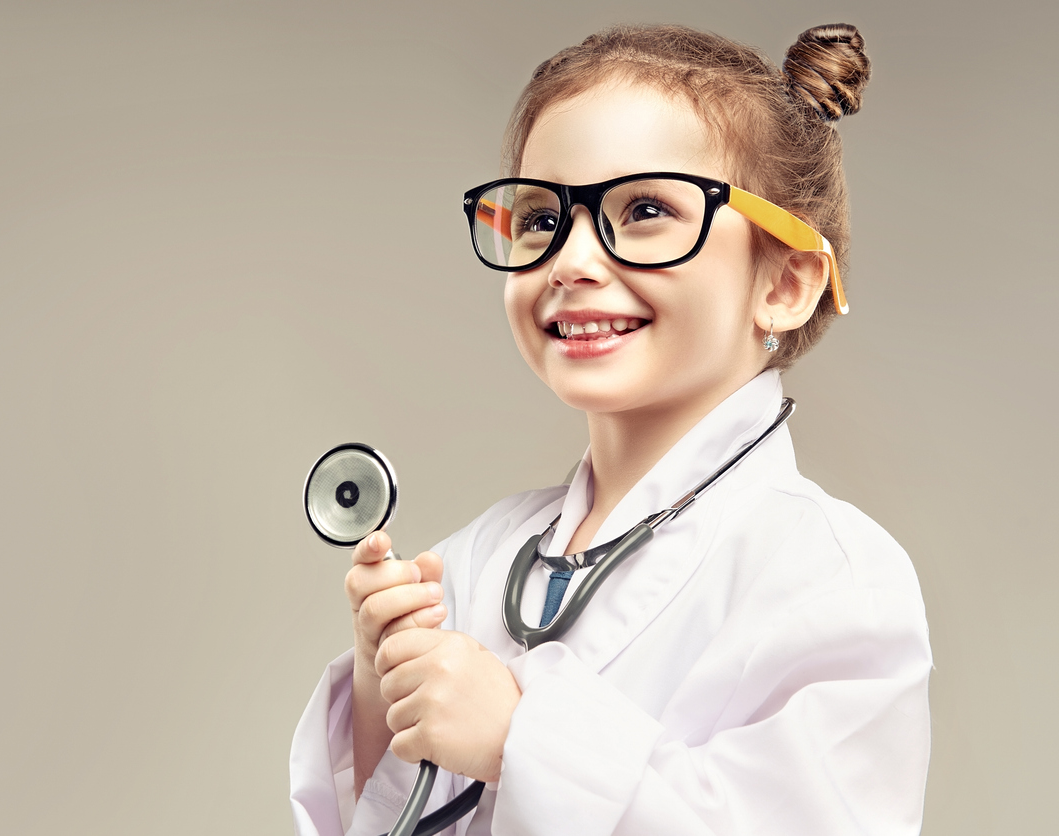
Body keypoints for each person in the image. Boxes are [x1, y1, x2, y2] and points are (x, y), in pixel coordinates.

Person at [291, 22, 931, 836]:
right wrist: (385, 697)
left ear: (784, 281)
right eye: (537, 220)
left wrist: (523, 738)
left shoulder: (833, 579)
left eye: (646, 209)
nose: (571, 259)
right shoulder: (479, 557)